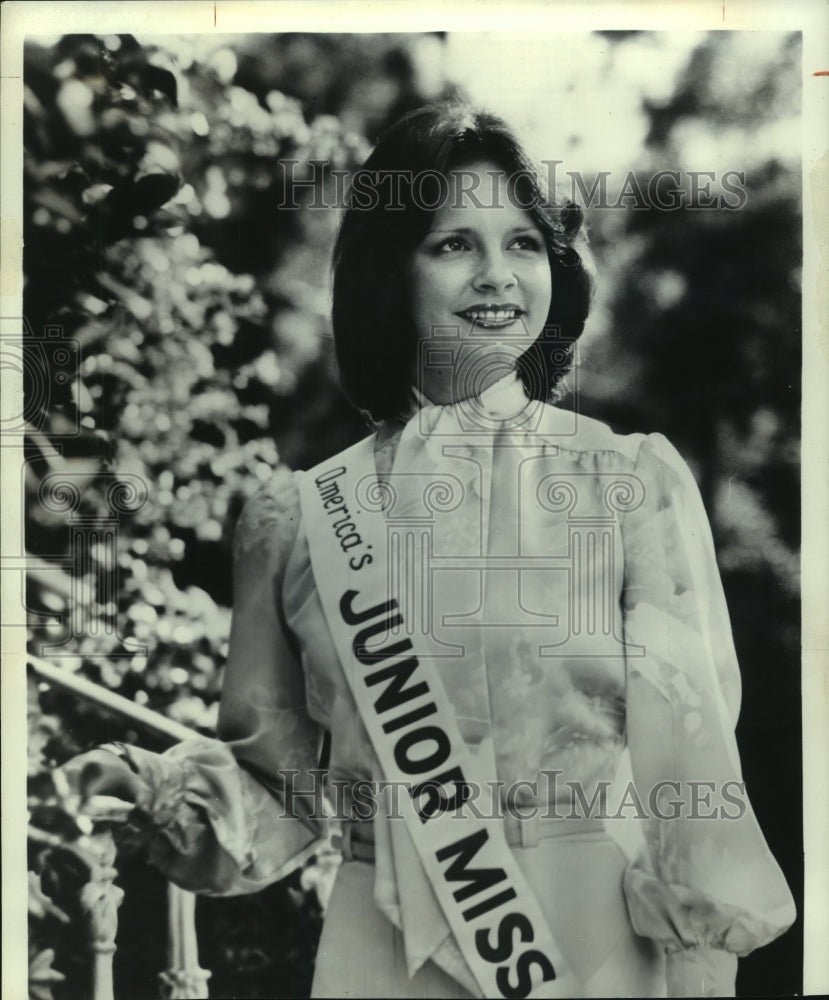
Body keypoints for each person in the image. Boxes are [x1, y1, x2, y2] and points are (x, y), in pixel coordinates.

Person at [61, 102, 795, 998]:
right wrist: (150, 792)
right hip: (382, 955)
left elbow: (695, 786)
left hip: (593, 952)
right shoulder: (296, 519)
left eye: (522, 243)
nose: (496, 276)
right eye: (452, 245)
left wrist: (702, 974)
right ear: (388, 272)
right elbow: (281, 794)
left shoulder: (628, 484)